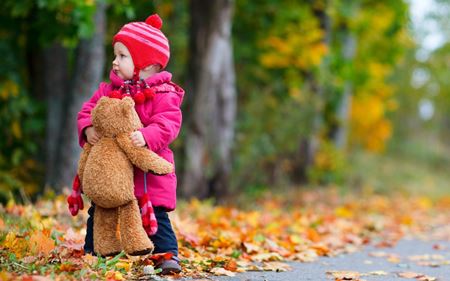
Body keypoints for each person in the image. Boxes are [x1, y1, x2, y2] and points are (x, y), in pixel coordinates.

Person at [70, 13, 184, 274]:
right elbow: (87, 111)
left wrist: (147, 136)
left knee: (155, 217)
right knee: (100, 211)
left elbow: (168, 124)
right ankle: (94, 251)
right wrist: (87, 128)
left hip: (148, 175)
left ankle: (166, 256)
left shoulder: (164, 94)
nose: (115, 61)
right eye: (115, 54)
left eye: (123, 56)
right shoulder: (109, 90)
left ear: (147, 64)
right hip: (112, 173)